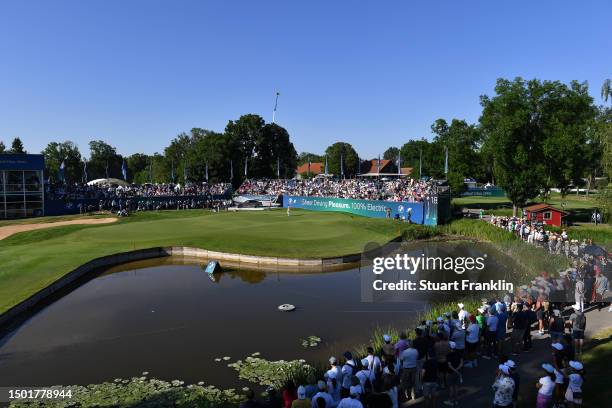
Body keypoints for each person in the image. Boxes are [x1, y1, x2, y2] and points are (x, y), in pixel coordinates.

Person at [444, 341, 463, 407]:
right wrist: (457, 370)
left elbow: (449, 365)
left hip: (450, 373)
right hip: (457, 373)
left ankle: (451, 400)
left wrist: (455, 370)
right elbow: (461, 363)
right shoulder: (459, 353)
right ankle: (456, 400)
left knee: (451, 387)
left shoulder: (448, 355)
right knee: (456, 386)